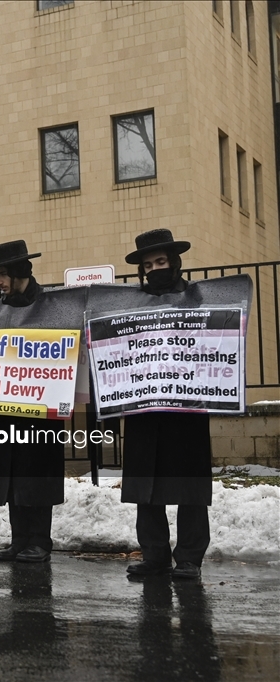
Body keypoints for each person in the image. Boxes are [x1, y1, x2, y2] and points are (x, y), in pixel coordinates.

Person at [121, 229, 211, 580]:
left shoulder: (199, 300)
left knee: (189, 484)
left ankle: (189, 558)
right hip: (144, 408)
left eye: (161, 261)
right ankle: (154, 555)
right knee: (147, 486)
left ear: (174, 263)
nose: (155, 269)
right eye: (148, 264)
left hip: (187, 407)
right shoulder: (128, 305)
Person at [0, 241, 65, 563]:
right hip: (4, 410)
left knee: (38, 473)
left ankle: (40, 540)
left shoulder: (52, 306)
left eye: (2, 274)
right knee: (12, 474)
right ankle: (19, 539)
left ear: (20, 272)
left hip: (41, 411)